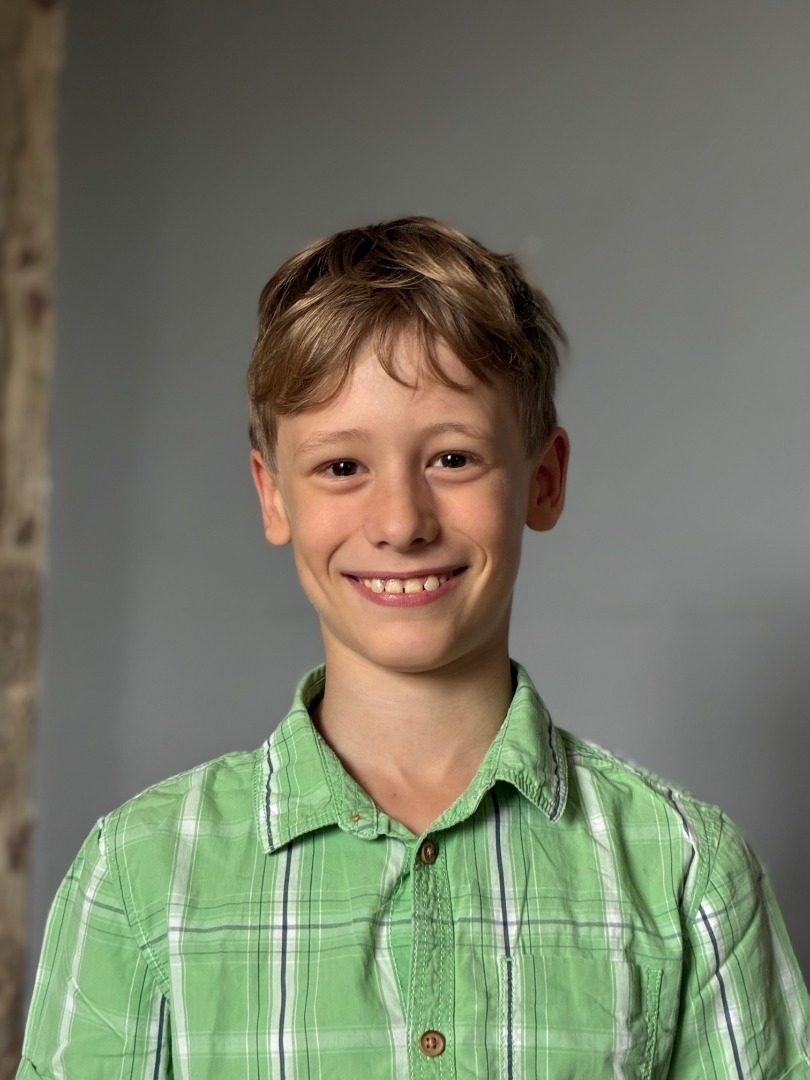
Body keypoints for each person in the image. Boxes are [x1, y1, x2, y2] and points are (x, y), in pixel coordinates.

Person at [19, 217, 809, 1078]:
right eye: (342, 468)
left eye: (454, 458)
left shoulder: (686, 872)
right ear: (272, 496)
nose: (400, 523)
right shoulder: (138, 878)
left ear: (544, 481)